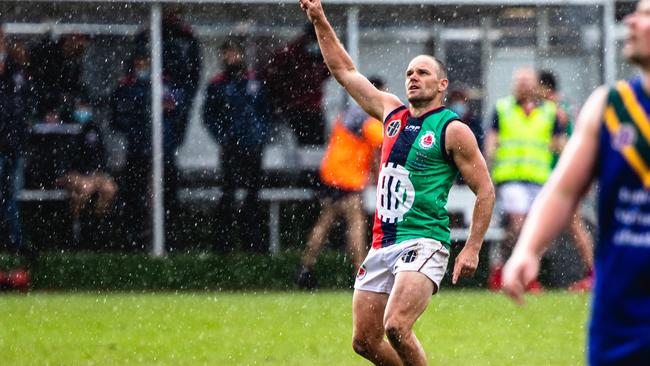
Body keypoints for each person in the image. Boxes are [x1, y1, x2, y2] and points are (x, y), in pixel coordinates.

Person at [299, 1, 495, 364]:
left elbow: (485, 189)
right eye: (409, 72)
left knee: (397, 327)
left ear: (442, 84)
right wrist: (319, 20)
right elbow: (344, 71)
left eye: (422, 72)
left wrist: (472, 247)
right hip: (383, 242)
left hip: (424, 241)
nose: (413, 77)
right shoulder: (391, 112)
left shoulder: (453, 129)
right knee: (364, 341)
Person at [502, 1, 650, 364]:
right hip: (622, 310)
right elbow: (564, 190)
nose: (630, 19)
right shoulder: (610, 106)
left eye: (646, 14)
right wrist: (528, 249)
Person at [297, 76, 386, 289]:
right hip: (348, 177)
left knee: (324, 222)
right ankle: (360, 274)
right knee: (355, 223)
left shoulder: (349, 113)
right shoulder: (368, 118)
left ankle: (305, 268)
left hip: (331, 174)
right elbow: (384, 143)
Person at [483, 67, 564, 291]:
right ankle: (503, 270)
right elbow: (491, 142)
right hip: (510, 178)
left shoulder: (550, 111)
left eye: (527, 81)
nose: (523, 85)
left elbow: (560, 145)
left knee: (536, 230)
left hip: (540, 179)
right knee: (518, 223)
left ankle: (526, 275)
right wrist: (487, 171)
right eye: (519, 81)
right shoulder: (503, 108)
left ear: (536, 84)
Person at [203, 37, 271, 252]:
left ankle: (254, 244)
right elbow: (209, 116)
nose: (230, 58)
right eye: (226, 54)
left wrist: (260, 135)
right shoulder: (217, 84)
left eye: (233, 53)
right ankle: (222, 245)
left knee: (253, 195)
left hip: (253, 146)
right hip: (231, 148)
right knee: (228, 195)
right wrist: (224, 137)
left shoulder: (255, 82)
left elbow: (266, 111)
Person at [111, 53, 180, 249]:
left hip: (163, 150)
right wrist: (138, 128)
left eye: (145, 63)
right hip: (138, 151)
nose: (142, 67)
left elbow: (176, 111)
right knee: (135, 197)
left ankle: (168, 239)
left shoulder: (164, 85)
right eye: (139, 63)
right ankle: (136, 240)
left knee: (166, 196)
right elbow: (117, 118)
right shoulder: (126, 87)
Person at [538, 70, 595, 291]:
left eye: (538, 87)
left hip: (560, 176)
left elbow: (562, 144)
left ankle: (592, 274)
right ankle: (591, 274)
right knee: (569, 225)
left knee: (572, 225)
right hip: (561, 175)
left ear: (546, 88)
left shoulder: (556, 111)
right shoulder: (567, 108)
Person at [56, 98, 117, 245]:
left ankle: (99, 227)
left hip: (92, 173)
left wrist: (98, 172)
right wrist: (81, 172)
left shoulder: (92, 129)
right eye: (80, 106)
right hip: (73, 173)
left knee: (110, 188)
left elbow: (100, 154)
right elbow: (66, 158)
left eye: (86, 106)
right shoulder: (66, 127)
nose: (83, 110)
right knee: (84, 188)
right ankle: (78, 231)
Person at [263, 24, 330, 146]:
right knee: (299, 145)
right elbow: (272, 78)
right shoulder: (290, 54)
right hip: (294, 110)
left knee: (317, 144)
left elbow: (328, 73)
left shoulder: (322, 54)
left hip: (313, 109)